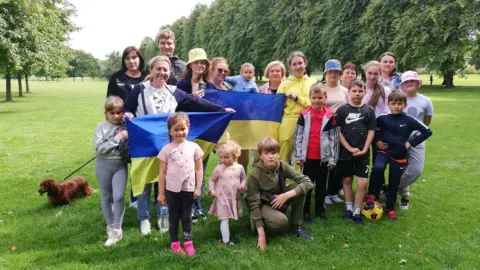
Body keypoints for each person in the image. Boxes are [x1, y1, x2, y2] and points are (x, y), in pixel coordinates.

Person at [124, 55, 234, 236]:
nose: (162, 73)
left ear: (169, 72)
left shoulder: (174, 91)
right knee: (144, 181)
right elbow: (128, 107)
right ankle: (144, 218)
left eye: (165, 70)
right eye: (158, 69)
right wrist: (127, 114)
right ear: (151, 70)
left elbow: (196, 102)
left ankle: (162, 214)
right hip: (144, 143)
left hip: (166, 144)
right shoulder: (139, 89)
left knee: (164, 179)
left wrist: (221, 111)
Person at [366, 90, 432, 220]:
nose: (396, 106)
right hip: (383, 152)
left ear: (405, 105)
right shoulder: (382, 118)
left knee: (394, 182)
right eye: (393, 103)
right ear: (388, 104)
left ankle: (390, 208)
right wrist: (377, 141)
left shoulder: (409, 120)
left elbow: (427, 131)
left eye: (400, 103)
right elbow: (372, 129)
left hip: (399, 156)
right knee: (378, 168)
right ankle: (372, 194)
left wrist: (410, 143)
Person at [247, 137, 314, 250]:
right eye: (266, 153)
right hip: (263, 204)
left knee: (300, 188)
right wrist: (261, 235)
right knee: (282, 223)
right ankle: (261, 223)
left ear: (278, 154)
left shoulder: (282, 165)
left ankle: (295, 227)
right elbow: (253, 203)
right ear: (260, 155)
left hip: (279, 198)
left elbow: (308, 182)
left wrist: (287, 195)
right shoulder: (254, 175)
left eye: (274, 153)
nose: (271, 156)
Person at [157, 113, 203, 256]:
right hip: (172, 189)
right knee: (174, 217)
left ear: (188, 128)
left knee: (186, 217)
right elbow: (162, 172)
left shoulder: (194, 147)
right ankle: (175, 243)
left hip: (188, 188)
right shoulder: (166, 150)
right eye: (176, 130)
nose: (180, 133)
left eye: (182, 129)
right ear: (170, 131)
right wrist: (161, 193)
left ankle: (188, 242)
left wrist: (198, 187)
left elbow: (199, 169)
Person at [106, 46, 146, 209]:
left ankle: (135, 198)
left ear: (140, 59)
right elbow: (109, 101)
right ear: (124, 60)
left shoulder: (146, 77)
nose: (132, 61)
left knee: (138, 162)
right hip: (120, 125)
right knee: (118, 163)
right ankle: (115, 199)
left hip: (141, 126)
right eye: (128, 58)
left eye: (135, 57)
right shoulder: (116, 77)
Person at [294, 83, 339, 223]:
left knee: (321, 187)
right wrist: (299, 155)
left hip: (323, 159)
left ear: (325, 98)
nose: (317, 100)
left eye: (320, 97)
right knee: (307, 186)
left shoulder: (330, 116)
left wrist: (333, 158)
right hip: (307, 158)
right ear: (310, 98)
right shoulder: (304, 114)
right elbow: (298, 136)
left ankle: (320, 210)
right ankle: (305, 211)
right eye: (314, 97)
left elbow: (334, 138)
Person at [176, 48, 212, 223]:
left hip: (204, 136)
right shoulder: (181, 85)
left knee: (200, 171)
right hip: (186, 136)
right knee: (185, 172)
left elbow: (215, 108)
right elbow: (175, 108)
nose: (200, 65)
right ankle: (186, 207)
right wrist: (191, 97)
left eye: (203, 62)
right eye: (197, 62)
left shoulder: (210, 86)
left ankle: (197, 207)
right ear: (190, 65)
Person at [336, 79, 376, 225]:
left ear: (365, 92)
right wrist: (350, 148)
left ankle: (357, 211)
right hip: (346, 152)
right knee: (347, 180)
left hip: (363, 152)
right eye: (354, 91)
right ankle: (348, 208)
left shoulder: (369, 110)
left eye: (360, 91)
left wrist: (365, 149)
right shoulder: (342, 110)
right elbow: (338, 132)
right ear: (349, 92)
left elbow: (371, 131)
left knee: (362, 183)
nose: (357, 94)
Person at [93, 96, 129, 247]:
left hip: (120, 165)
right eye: (112, 113)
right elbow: (99, 149)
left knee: (119, 196)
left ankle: (117, 227)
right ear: (105, 113)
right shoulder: (101, 127)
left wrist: (129, 120)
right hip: (103, 165)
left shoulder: (126, 126)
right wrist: (117, 138)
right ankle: (110, 227)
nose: (115, 116)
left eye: (119, 112)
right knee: (106, 196)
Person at [397, 71, 434, 210]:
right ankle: (404, 196)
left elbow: (427, 121)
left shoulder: (425, 101)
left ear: (418, 83)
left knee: (415, 170)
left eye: (412, 81)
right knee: (400, 168)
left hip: (417, 139)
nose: (409, 84)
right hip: (399, 139)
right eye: (406, 82)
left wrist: (416, 135)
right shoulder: (398, 99)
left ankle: (391, 187)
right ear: (402, 85)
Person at [277, 51, 317, 163]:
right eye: (294, 64)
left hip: (308, 119)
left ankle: (304, 178)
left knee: (306, 151)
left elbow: (314, 103)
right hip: (289, 119)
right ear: (290, 66)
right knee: (284, 149)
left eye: (300, 63)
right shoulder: (284, 85)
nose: (298, 66)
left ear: (305, 63)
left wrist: (296, 98)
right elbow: (278, 106)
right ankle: (281, 178)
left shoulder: (312, 82)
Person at [208, 140, 246, 245]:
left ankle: (226, 234)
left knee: (229, 218)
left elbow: (243, 178)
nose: (223, 160)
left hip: (233, 198)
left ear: (235, 156)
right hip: (222, 198)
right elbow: (211, 179)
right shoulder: (219, 169)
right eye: (221, 157)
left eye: (226, 157)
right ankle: (226, 241)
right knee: (224, 219)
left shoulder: (239, 168)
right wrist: (211, 189)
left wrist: (243, 184)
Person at [323, 59, 349, 204]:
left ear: (340, 73)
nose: (333, 74)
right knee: (326, 162)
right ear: (326, 73)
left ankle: (333, 192)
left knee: (337, 162)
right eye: (330, 71)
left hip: (341, 130)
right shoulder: (321, 88)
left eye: (336, 72)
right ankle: (325, 193)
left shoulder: (345, 91)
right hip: (324, 130)